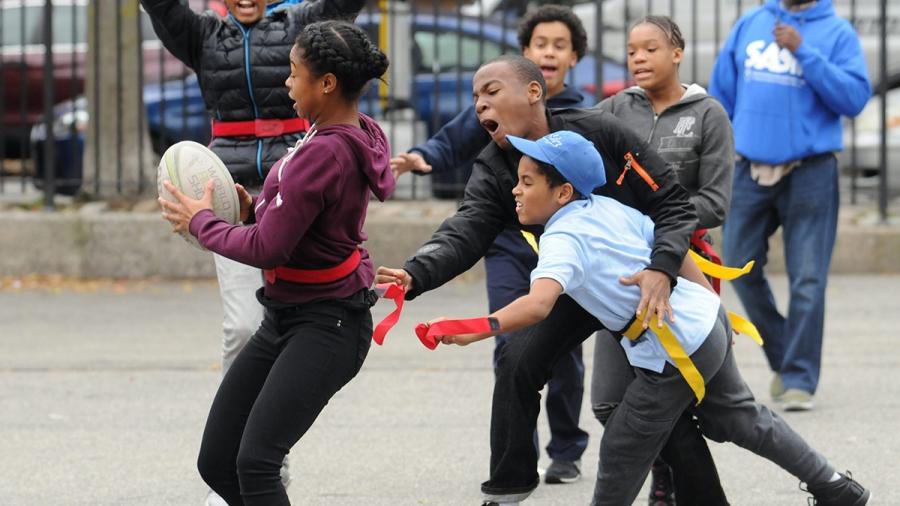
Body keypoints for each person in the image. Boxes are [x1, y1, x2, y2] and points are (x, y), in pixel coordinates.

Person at [423, 128, 870, 506]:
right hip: (703, 323)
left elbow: (539, 304)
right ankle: (835, 486)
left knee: (621, 446)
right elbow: (672, 249)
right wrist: (717, 310)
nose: (515, 190)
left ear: (562, 192)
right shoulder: (610, 208)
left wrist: (476, 329)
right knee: (741, 419)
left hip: (675, 350)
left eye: (525, 181)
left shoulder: (563, 238)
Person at [376, 55, 724, 506]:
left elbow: (674, 205)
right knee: (518, 362)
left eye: (492, 92)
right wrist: (416, 271)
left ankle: (828, 485)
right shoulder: (495, 168)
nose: (480, 104)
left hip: (647, 280)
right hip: (583, 287)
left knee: (729, 415)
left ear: (534, 93)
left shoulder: (598, 132)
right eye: (475, 98)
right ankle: (508, 487)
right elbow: (467, 228)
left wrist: (663, 269)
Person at [158, 20, 393, 505]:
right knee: (217, 460)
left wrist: (202, 222)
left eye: (293, 73)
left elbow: (268, 249)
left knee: (257, 463)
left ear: (326, 84)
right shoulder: (340, 132)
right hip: (287, 316)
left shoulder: (326, 150)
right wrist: (250, 209)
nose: (286, 83)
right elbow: (305, 216)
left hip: (327, 325)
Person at [391, 4, 593, 483]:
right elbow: (455, 149)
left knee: (563, 352)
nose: (548, 51)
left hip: (571, 252)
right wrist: (424, 157)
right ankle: (513, 468)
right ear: (526, 54)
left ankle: (566, 447)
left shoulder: (587, 121)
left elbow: (633, 191)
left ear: (569, 61)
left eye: (558, 45)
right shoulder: (492, 132)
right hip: (510, 244)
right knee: (511, 346)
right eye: (540, 43)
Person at [592, 15, 734, 505]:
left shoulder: (708, 112)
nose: (638, 59)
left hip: (685, 268)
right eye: (632, 50)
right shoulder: (614, 109)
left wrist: (655, 216)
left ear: (677, 53)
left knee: (694, 393)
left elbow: (715, 202)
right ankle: (664, 480)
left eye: (650, 49)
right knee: (621, 395)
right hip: (627, 270)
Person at [709, 0, 871, 411]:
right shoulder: (752, 23)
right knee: (739, 268)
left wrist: (804, 50)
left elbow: (853, 99)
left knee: (808, 278)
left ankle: (799, 378)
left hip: (811, 172)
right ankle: (785, 355)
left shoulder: (837, 33)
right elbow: (721, 94)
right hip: (749, 169)